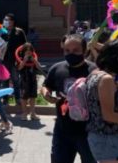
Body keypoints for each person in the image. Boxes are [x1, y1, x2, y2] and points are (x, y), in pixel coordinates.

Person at [41, 34, 96, 163]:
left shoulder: (94, 71)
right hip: (63, 129)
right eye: (67, 50)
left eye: (76, 50)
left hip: (88, 131)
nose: (71, 54)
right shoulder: (57, 68)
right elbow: (46, 85)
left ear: (84, 50)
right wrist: (46, 94)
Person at [2, 13, 27, 108]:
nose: (6, 21)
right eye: (5, 19)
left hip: (15, 60)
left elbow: (24, 46)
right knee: (5, 81)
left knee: (16, 80)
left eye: (7, 20)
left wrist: (22, 59)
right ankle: (5, 100)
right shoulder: (2, 31)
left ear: (12, 21)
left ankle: (17, 99)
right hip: (4, 60)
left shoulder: (19, 32)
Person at [17, 43, 42, 121]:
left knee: (33, 97)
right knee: (24, 98)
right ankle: (24, 113)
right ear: (23, 51)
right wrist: (24, 60)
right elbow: (19, 68)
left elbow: (39, 67)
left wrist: (34, 60)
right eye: (26, 51)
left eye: (30, 51)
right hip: (24, 81)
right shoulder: (20, 58)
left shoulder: (34, 58)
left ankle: (33, 113)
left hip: (33, 80)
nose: (28, 53)